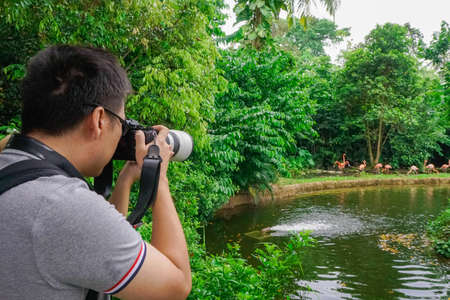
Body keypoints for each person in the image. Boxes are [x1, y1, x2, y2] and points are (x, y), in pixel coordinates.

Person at [0, 45, 191, 299]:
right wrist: (158, 177)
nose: (121, 133)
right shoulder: (62, 204)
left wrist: (124, 182)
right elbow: (176, 286)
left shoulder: (12, 165)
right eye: (122, 124)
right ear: (99, 119)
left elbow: (95, 244)